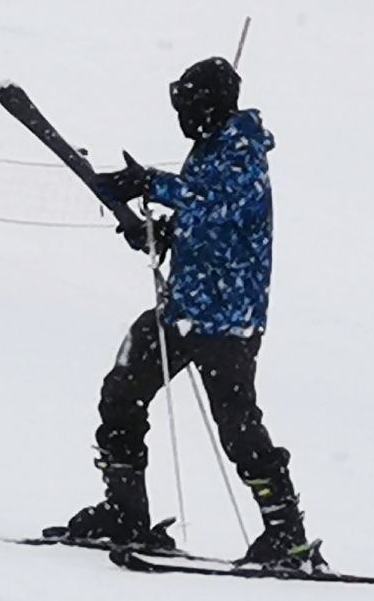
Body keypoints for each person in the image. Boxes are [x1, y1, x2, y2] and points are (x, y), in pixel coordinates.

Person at [59, 57, 325, 569]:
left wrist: (150, 183)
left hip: (227, 319)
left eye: (187, 104)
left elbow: (222, 207)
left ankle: (287, 536)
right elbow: (202, 221)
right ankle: (126, 513)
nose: (181, 115)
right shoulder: (206, 149)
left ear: (210, 105)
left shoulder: (244, 151)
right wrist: (160, 233)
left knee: (238, 426)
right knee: (121, 393)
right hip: (182, 308)